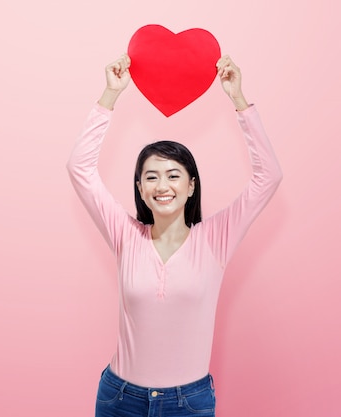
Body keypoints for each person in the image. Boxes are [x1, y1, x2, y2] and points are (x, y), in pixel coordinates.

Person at [67, 54, 282, 417]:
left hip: (189, 404)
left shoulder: (215, 238)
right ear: (140, 187)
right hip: (121, 399)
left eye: (173, 175)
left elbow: (269, 177)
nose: (162, 185)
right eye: (151, 177)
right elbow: (80, 169)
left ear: (191, 185)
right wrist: (110, 95)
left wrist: (238, 100)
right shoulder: (125, 235)